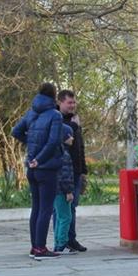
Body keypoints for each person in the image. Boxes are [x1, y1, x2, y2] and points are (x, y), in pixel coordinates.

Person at [11, 82, 65, 260]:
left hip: (32, 169)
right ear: (54, 96)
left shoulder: (31, 113)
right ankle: (41, 248)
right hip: (46, 168)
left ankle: (35, 247)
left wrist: (32, 143)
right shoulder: (55, 115)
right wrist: (40, 158)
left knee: (36, 208)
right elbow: (53, 142)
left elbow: (15, 131)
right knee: (46, 209)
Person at [56, 89, 88, 253]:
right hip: (61, 171)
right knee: (62, 208)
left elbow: (79, 146)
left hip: (75, 170)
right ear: (60, 102)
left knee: (72, 206)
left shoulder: (75, 120)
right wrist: (74, 126)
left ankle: (70, 239)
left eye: (74, 102)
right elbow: (60, 138)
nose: (72, 105)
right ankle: (61, 241)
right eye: (69, 102)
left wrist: (83, 169)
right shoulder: (56, 118)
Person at [53, 125, 78, 254]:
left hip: (55, 190)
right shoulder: (65, 154)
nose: (72, 138)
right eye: (70, 135)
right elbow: (65, 175)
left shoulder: (56, 152)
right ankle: (61, 243)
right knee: (66, 217)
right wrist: (69, 191)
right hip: (62, 191)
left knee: (59, 217)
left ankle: (57, 242)